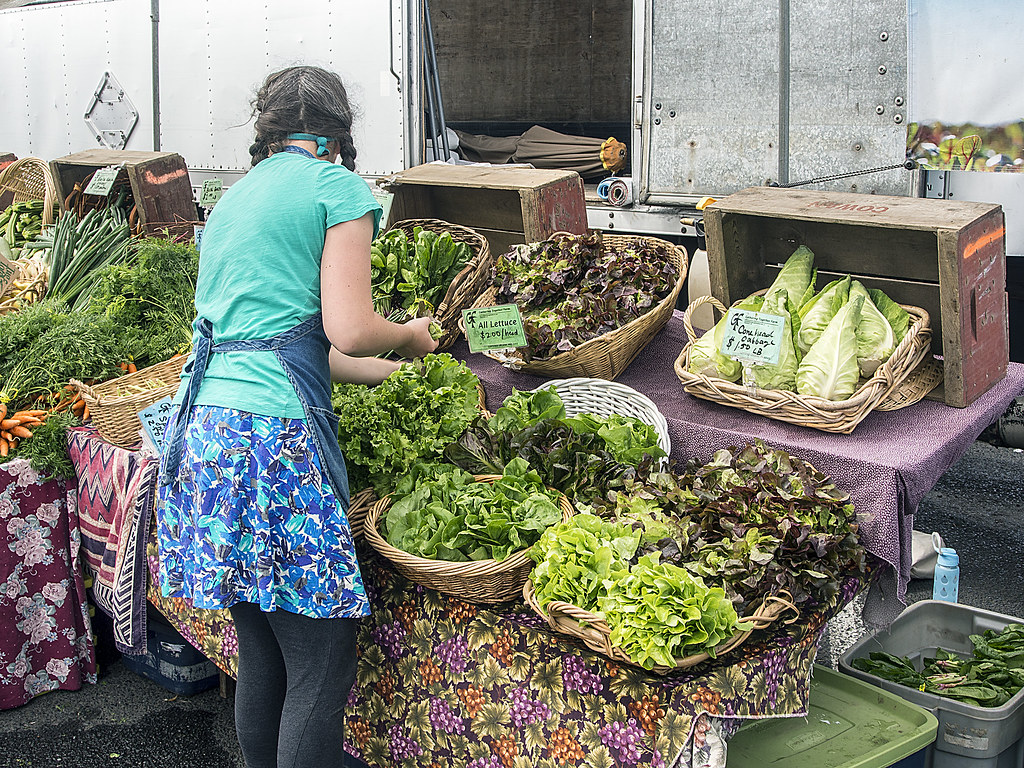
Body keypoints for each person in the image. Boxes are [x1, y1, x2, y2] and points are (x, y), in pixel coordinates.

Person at [155, 65, 437, 768]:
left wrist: (389, 373)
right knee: (320, 666)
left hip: (209, 435)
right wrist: (410, 335)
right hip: (270, 446)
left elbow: (291, 342)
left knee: (263, 654)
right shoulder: (335, 188)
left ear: (269, 128)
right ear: (338, 130)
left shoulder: (235, 197)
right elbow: (350, 327)